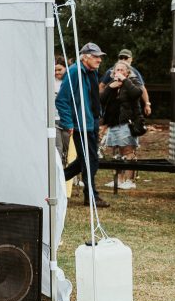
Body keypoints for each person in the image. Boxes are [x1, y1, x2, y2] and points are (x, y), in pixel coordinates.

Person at [55, 42, 109, 208]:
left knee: (87, 159)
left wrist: (97, 119)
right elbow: (61, 100)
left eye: (100, 57)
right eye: (95, 56)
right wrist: (68, 122)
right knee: (89, 160)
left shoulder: (91, 72)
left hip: (90, 122)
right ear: (85, 57)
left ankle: (54, 182)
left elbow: (93, 97)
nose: (99, 60)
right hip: (79, 124)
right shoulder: (74, 71)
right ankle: (91, 195)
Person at [100, 60, 144, 190]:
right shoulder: (111, 85)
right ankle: (118, 180)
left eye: (121, 70)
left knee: (128, 150)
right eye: (116, 70)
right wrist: (109, 87)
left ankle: (130, 180)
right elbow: (101, 100)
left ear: (127, 72)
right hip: (113, 123)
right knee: (116, 152)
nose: (118, 72)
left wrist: (125, 80)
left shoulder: (132, 82)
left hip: (128, 122)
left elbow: (137, 93)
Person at [99, 49, 152, 117]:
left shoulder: (135, 73)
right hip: (112, 111)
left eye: (126, 58)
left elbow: (142, 89)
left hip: (131, 111)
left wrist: (147, 104)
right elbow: (101, 86)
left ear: (131, 59)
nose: (123, 60)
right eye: (121, 57)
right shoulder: (110, 71)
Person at [53, 57, 69, 165]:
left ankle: (74, 175)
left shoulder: (69, 82)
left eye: (60, 69)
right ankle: (59, 172)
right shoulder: (50, 83)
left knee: (68, 148)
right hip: (54, 119)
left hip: (67, 120)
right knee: (58, 147)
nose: (57, 72)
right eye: (55, 70)